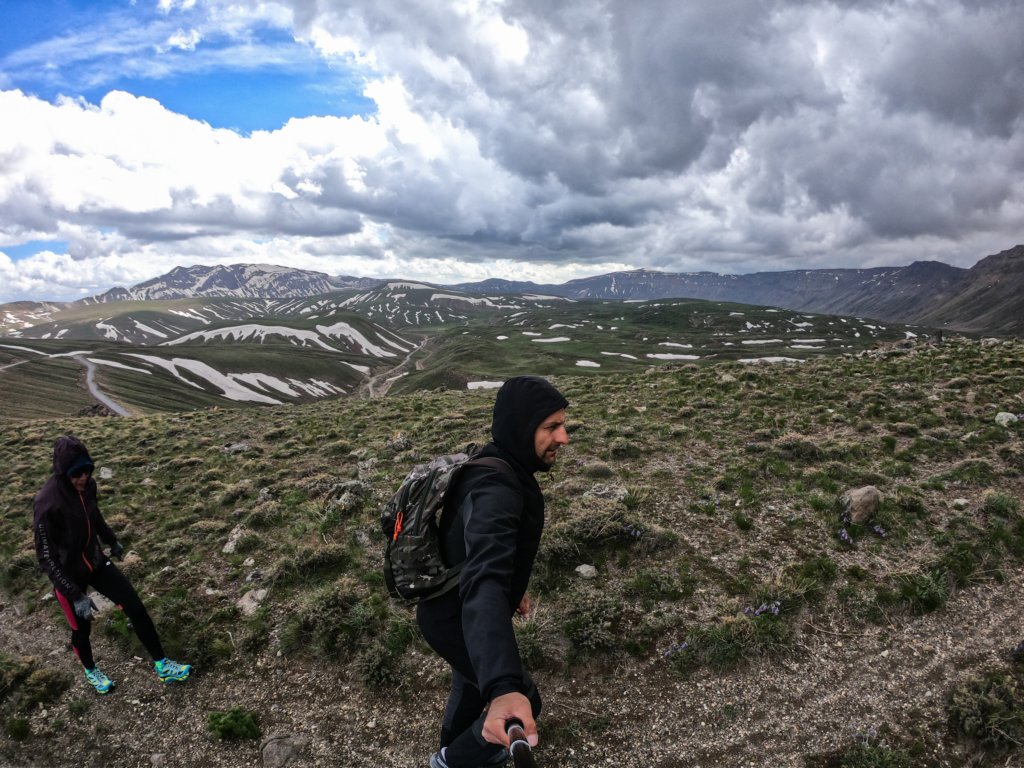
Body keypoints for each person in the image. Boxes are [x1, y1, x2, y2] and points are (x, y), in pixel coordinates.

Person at [417, 375, 570, 768]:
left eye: (563, 425)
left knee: (470, 684)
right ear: (522, 427)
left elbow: (476, 552)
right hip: (458, 619)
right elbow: (484, 579)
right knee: (522, 699)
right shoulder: (497, 489)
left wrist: (513, 587)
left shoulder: (494, 462)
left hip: (451, 610)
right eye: (551, 427)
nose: (564, 438)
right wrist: (504, 686)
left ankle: (455, 750)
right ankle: (450, 762)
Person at [33, 434, 192, 694]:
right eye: (77, 474)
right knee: (81, 629)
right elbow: (46, 556)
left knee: (135, 607)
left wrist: (111, 540)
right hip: (69, 575)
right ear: (63, 473)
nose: (83, 478)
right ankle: (90, 670)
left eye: (87, 471)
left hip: (96, 561)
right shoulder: (46, 503)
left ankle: (162, 665)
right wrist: (75, 595)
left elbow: (94, 516)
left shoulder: (89, 486)